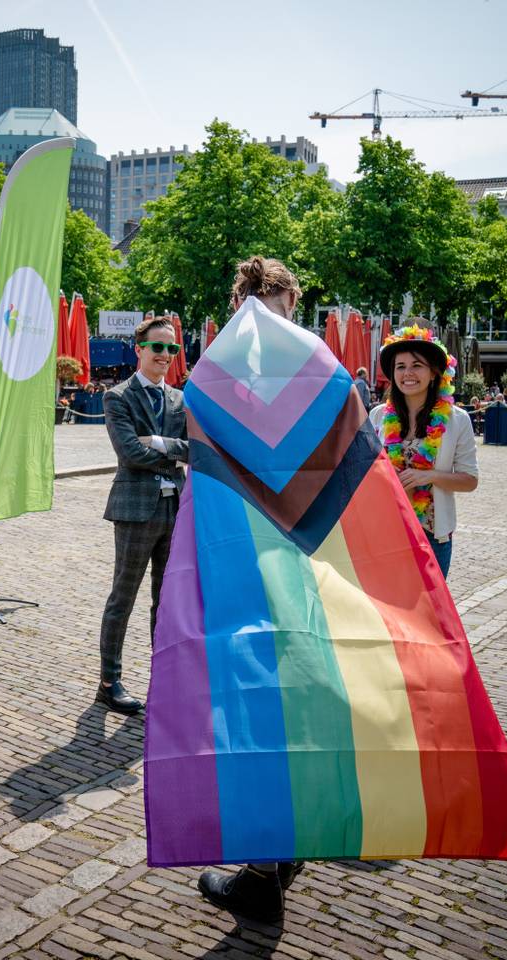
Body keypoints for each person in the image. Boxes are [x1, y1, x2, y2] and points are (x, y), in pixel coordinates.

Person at [195, 256, 304, 923]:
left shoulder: (220, 371)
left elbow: (204, 458)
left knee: (254, 707)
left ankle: (263, 872)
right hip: (299, 557)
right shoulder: (319, 367)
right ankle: (285, 848)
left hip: (244, 559)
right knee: (292, 699)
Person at [96, 315, 188, 714]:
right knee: (124, 597)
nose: (165, 355)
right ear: (140, 349)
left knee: (166, 602)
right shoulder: (118, 397)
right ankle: (108, 681)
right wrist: (173, 452)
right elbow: (129, 453)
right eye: (158, 347)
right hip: (135, 512)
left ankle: (163, 679)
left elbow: (198, 450)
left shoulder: (181, 400)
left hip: (175, 508)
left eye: (172, 348)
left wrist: (160, 442)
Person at [368, 326, 478, 578]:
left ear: (434, 373)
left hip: (431, 535)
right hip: (385, 532)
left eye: (417, 365)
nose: (408, 373)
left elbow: (470, 480)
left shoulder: (456, 420)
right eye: (400, 366)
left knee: (431, 615)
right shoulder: (377, 417)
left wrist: (427, 476)